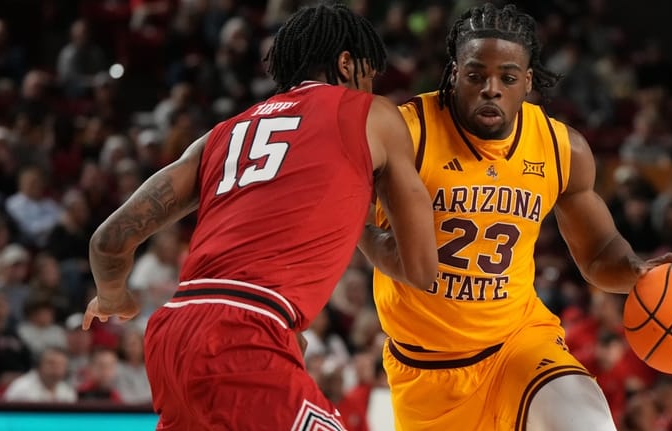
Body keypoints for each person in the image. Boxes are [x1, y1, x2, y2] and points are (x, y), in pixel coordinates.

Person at [361, 3, 672, 430]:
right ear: (455, 73)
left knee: (589, 424)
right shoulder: (406, 130)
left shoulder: (561, 147)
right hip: (424, 368)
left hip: (520, 345)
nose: (491, 88)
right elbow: (339, 206)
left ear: (527, 82)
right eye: (476, 75)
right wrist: (358, 234)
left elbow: (600, 250)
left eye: (507, 78)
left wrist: (639, 272)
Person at [81, 4, 438, 430]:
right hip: (246, 331)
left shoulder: (221, 134)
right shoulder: (372, 114)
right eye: (369, 74)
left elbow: (109, 239)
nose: (370, 86)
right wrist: (359, 223)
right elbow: (419, 268)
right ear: (347, 64)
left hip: (172, 335)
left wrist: (113, 297)